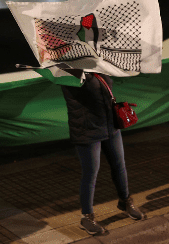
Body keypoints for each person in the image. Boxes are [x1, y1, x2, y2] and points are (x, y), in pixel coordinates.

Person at [61, 72, 146, 236]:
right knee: (91, 173)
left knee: (119, 165)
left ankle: (126, 202)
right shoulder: (68, 74)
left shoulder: (98, 66)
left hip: (110, 125)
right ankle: (86, 217)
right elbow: (87, 98)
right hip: (87, 130)